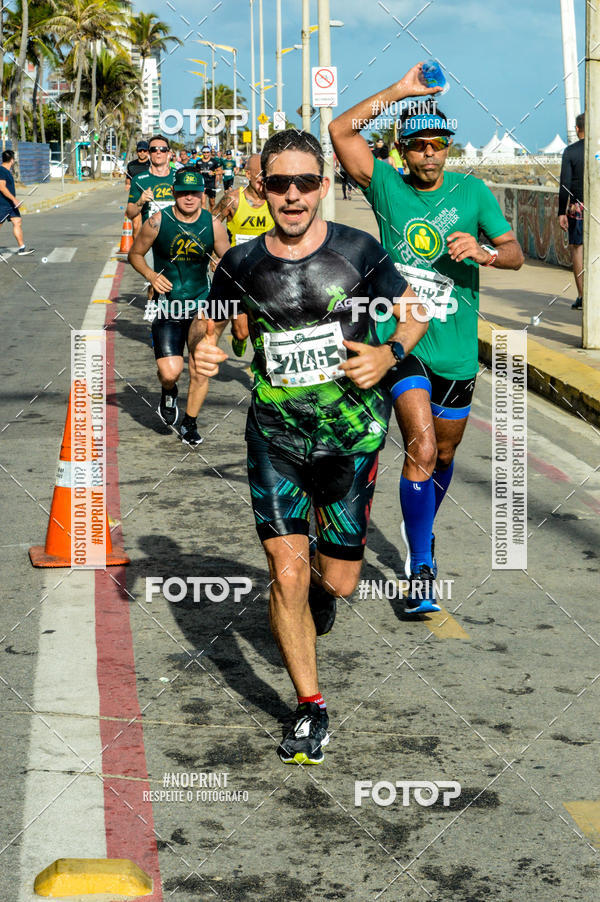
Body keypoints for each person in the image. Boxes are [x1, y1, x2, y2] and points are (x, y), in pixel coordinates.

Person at [190, 130, 426, 765]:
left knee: (341, 583)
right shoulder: (239, 264)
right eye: (279, 183)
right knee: (285, 575)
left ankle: (325, 588)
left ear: (323, 186)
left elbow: (415, 312)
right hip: (276, 439)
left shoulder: (359, 251)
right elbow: (208, 322)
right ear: (260, 188)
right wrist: (203, 349)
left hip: (350, 440)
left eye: (305, 183)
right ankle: (309, 706)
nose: (292, 196)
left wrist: (389, 352)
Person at [330, 63, 524, 614]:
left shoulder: (474, 192)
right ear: (403, 150)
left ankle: (423, 534)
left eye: (438, 145)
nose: (429, 155)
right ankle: (421, 567)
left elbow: (513, 254)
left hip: (457, 348)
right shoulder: (387, 187)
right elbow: (341, 131)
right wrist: (400, 92)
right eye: (417, 146)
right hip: (400, 343)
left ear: (449, 149)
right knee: (417, 444)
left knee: (441, 452)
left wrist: (485, 252)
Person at [128, 168, 230, 444]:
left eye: (194, 193)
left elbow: (232, 264)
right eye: (183, 193)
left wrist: (220, 267)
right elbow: (134, 254)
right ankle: (169, 391)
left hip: (202, 305)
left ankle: (190, 423)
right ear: (174, 193)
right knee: (170, 371)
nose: (189, 198)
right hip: (168, 306)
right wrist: (151, 275)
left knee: (200, 366)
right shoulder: (158, 222)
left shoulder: (214, 225)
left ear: (202, 195)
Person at [213, 153, 274, 247]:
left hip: (266, 261)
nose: (265, 180)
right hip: (238, 260)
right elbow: (209, 228)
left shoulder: (275, 201)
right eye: (262, 174)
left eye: (269, 175)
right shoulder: (232, 199)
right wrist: (217, 253)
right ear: (248, 175)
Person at [558, 112, 584, 309]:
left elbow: (565, 183)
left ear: (577, 129)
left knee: (578, 250)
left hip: (577, 207)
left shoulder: (570, 152)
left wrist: (561, 211)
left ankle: (583, 296)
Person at [0, 150, 35, 255]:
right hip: (2, 204)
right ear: (12, 160)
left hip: (10, 205)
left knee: (17, 222)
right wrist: (14, 199)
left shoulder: (7, 171)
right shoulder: (1, 170)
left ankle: (22, 248)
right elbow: (1, 187)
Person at [125, 140, 150, 239]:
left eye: (144, 150)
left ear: (147, 151)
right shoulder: (131, 165)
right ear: (137, 152)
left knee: (149, 226)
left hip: (149, 198)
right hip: (136, 198)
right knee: (136, 225)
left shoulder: (152, 164)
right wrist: (127, 185)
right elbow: (128, 179)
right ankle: (137, 249)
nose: (142, 153)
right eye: (140, 151)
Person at [194, 145, 221, 212]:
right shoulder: (198, 162)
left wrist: (214, 173)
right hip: (202, 184)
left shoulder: (214, 161)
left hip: (211, 184)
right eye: (204, 152)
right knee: (203, 203)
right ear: (202, 153)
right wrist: (198, 172)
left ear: (210, 153)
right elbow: (195, 172)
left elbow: (220, 171)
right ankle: (205, 217)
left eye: (207, 152)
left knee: (212, 203)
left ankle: (209, 214)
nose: (206, 154)